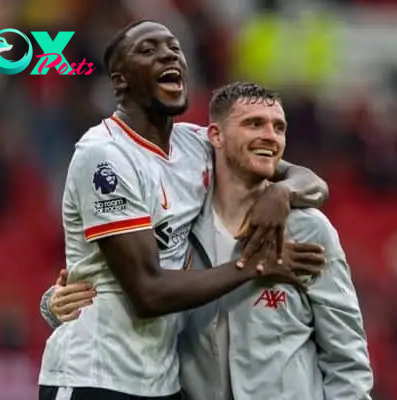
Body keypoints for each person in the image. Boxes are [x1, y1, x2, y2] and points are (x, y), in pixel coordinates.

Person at [38, 21, 328, 400]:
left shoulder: (196, 145)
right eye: (148, 50)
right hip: (95, 375)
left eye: (174, 48)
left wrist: (281, 195)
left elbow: (311, 181)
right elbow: (148, 294)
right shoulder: (104, 156)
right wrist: (257, 265)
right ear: (120, 82)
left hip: (163, 381)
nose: (168, 55)